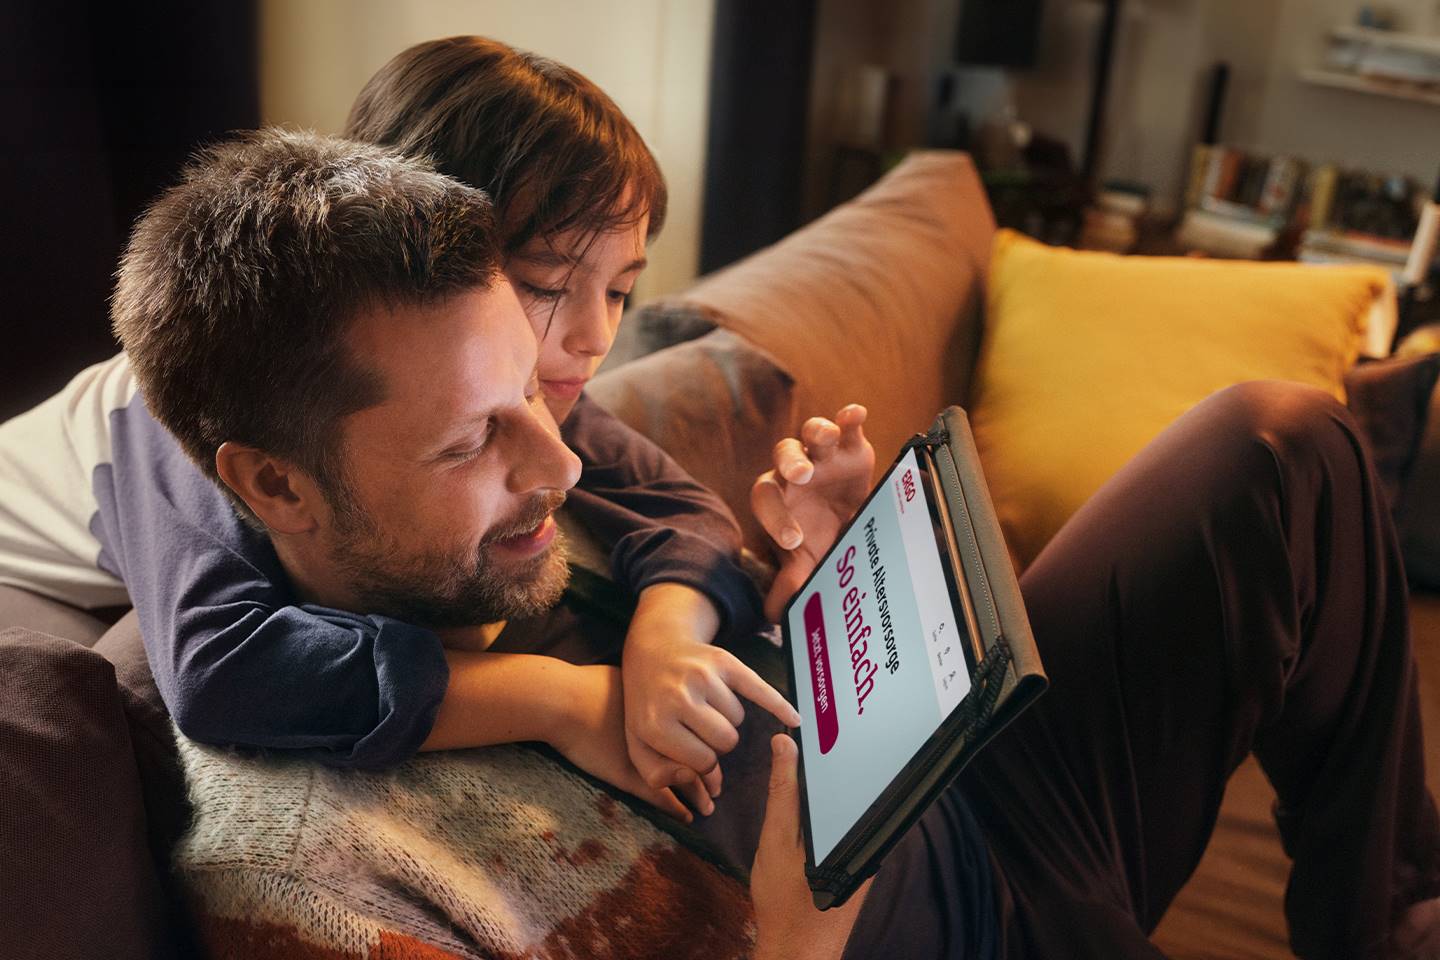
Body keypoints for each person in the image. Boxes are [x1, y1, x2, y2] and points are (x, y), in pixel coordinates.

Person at [118, 130, 1438, 959]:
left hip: (967, 783)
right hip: (944, 917)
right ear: (271, 486)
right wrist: (801, 941)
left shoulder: (486, 480)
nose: (560, 460)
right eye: (473, 443)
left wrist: (795, 583)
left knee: (1277, 445)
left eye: (537, 384)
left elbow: (675, 534)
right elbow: (154, 486)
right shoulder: (309, 858)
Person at [0, 36, 807, 822]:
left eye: (622, 290)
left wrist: (664, 639)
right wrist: (561, 697)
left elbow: (679, 506)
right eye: (546, 283)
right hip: (32, 573)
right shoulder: (213, 416)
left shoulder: (498, 371)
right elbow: (223, 670)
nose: (595, 337)